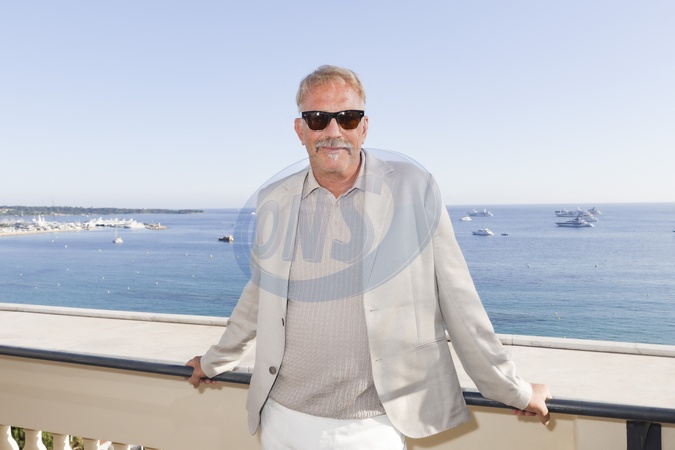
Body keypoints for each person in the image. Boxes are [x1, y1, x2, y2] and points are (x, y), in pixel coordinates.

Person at [187, 65, 551, 449]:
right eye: (318, 118)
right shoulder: (274, 198)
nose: (333, 131)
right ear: (300, 130)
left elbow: (459, 300)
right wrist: (213, 361)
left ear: (363, 127)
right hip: (281, 418)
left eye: (347, 117)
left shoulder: (413, 188)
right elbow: (259, 294)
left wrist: (513, 389)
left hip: (373, 425)